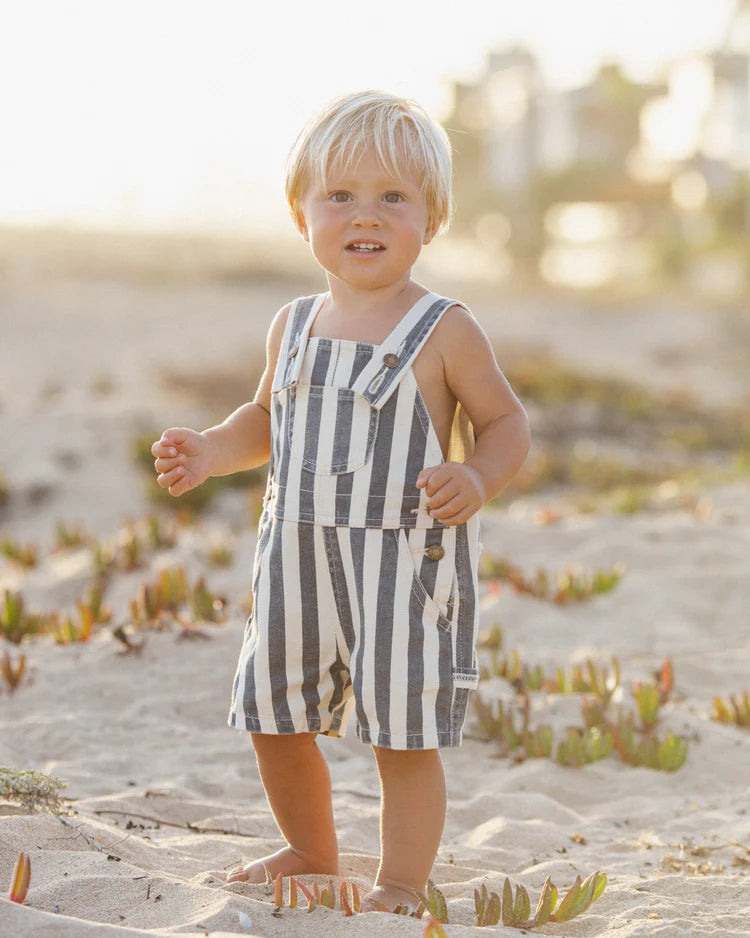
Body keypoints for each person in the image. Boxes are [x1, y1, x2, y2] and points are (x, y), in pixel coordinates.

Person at [151, 90, 530, 914]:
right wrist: (213, 450)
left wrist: (476, 475)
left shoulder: (442, 329)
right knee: (273, 712)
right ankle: (310, 848)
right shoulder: (292, 325)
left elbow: (506, 422)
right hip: (294, 555)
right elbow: (265, 419)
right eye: (341, 196)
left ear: (431, 220)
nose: (367, 215)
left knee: (402, 728)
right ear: (301, 214)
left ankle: (400, 879)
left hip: (400, 562)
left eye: (394, 197)